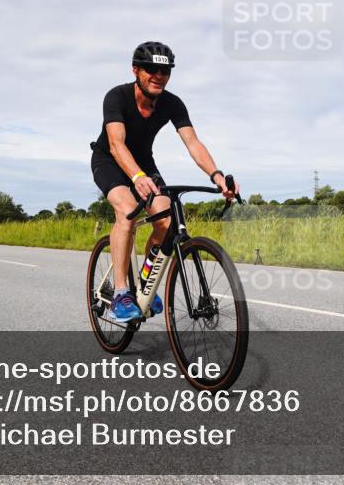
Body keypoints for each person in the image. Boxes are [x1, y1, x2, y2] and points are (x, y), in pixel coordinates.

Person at [91, 41, 239, 321]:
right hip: (110, 160)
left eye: (165, 70)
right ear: (136, 70)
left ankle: (146, 281)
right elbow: (116, 143)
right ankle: (122, 292)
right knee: (127, 210)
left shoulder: (172, 103)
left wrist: (217, 175)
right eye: (151, 69)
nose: (158, 75)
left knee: (167, 220)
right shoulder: (117, 96)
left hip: (144, 164)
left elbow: (192, 142)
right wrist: (136, 176)